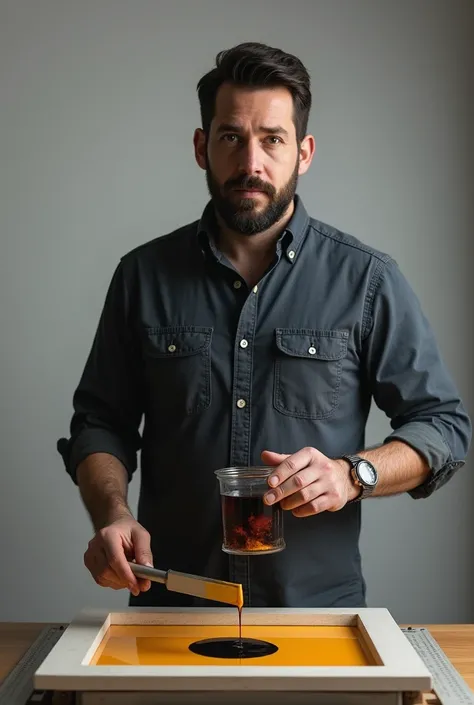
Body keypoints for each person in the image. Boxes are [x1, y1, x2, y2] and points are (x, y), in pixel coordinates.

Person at [58, 42, 471, 608]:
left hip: (318, 616)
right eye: (231, 136)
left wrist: (355, 475)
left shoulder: (367, 280)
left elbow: (444, 427)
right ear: (203, 147)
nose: (251, 162)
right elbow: (99, 423)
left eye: (272, 139)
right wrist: (113, 514)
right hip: (173, 609)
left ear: (304, 152)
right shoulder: (142, 276)